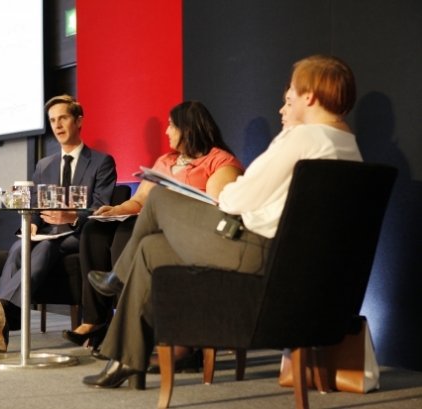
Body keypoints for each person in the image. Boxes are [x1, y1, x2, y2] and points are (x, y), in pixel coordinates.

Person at [82, 55, 363, 388]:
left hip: (255, 251)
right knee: (149, 249)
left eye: (290, 95)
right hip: (287, 264)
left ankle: (117, 278)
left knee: (158, 197)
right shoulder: (347, 145)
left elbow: (236, 198)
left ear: (309, 97)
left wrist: (228, 197)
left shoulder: (302, 138)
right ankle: (125, 360)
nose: (282, 107)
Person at [62, 101, 244, 369]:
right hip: (150, 223)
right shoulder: (165, 161)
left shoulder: (219, 161)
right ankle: (97, 320)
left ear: (188, 128)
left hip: (188, 233)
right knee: (95, 229)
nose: (167, 132)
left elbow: (217, 208)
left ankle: (121, 316)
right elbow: (140, 200)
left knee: (127, 236)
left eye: (171, 125)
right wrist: (115, 209)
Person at [0, 95, 117, 353]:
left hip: (81, 234)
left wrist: (71, 217)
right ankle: (3, 316)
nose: (57, 125)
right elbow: (34, 207)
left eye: (63, 118)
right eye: (53, 120)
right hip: (47, 233)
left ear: (78, 121)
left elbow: (102, 207)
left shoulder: (101, 162)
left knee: (46, 249)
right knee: (17, 248)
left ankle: (2, 315)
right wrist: (32, 224)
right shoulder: (44, 165)